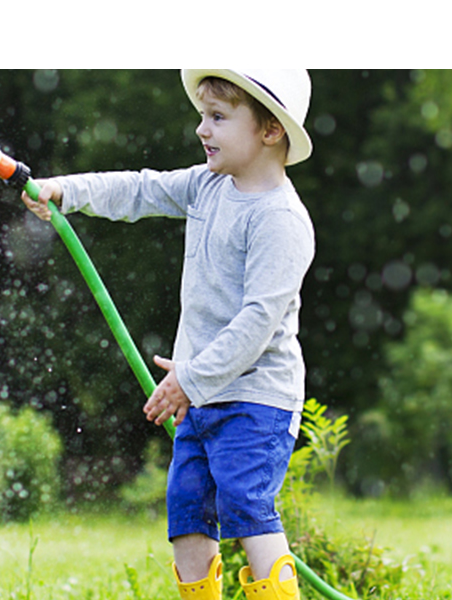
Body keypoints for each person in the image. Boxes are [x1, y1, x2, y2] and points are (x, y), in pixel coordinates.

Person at [21, 69, 316, 600]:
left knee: (246, 509)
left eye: (219, 118)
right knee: (187, 518)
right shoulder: (207, 187)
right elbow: (139, 188)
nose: (202, 129)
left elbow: (257, 322)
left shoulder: (280, 220)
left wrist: (191, 379)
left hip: (255, 399)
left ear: (271, 130)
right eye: (203, 115)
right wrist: (66, 191)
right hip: (199, 393)